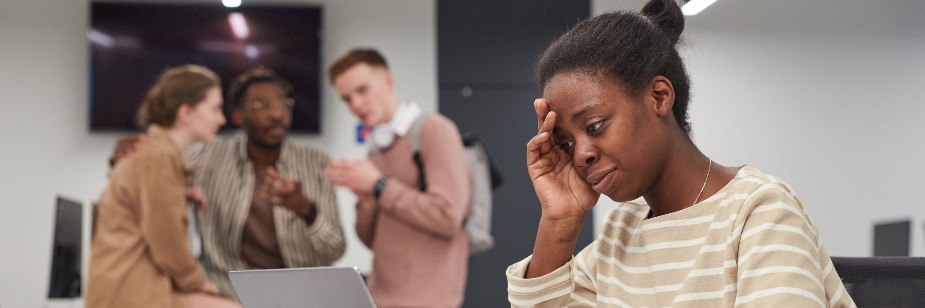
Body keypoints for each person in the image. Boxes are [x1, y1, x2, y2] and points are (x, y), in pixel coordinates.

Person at [505, 0, 856, 307]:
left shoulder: (758, 212)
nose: (580, 154)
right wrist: (559, 220)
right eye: (566, 143)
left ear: (659, 96)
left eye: (595, 125)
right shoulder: (620, 231)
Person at [110, 67, 346, 301]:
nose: (277, 114)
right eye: (262, 105)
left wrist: (306, 210)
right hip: (225, 292)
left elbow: (335, 249)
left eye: (284, 104)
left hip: (299, 295)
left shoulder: (316, 164)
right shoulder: (207, 157)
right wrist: (128, 158)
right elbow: (148, 182)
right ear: (238, 116)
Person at [324, 48, 472, 308]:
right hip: (378, 297)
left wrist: (379, 184)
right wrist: (367, 200)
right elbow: (372, 241)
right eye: (346, 99)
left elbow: (448, 216)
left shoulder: (434, 130)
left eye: (362, 90)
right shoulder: (376, 148)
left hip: (429, 300)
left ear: (388, 82)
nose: (356, 104)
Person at [87, 64, 240, 307]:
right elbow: (168, 246)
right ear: (186, 113)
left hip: (133, 286)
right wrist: (202, 283)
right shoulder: (157, 157)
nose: (221, 119)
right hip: (130, 293)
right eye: (215, 109)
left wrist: (179, 195)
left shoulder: (157, 154)